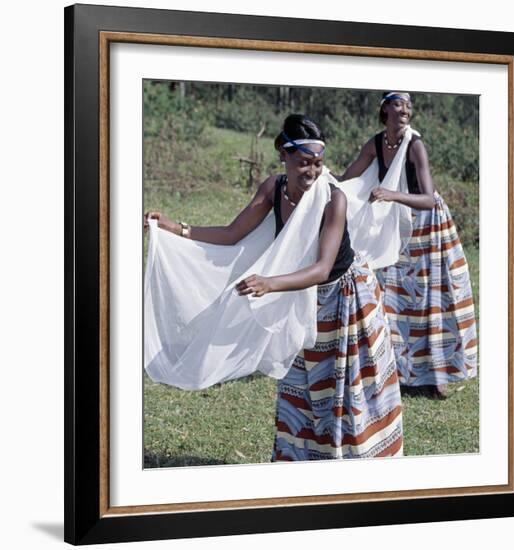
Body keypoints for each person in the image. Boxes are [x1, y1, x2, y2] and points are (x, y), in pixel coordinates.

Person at [145, 114, 403, 461]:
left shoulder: (332, 199)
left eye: (318, 164)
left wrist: (270, 283)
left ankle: (352, 466)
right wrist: (177, 228)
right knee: (302, 383)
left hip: (343, 299)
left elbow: (323, 267)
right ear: (284, 154)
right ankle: (298, 461)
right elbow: (231, 233)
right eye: (303, 164)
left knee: (344, 390)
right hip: (298, 298)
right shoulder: (273, 188)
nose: (311, 173)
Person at [341, 92, 478, 399]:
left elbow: (429, 199)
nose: (405, 110)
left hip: (426, 227)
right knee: (396, 298)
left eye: (408, 106)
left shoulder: (415, 145)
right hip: (395, 227)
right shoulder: (375, 144)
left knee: (431, 301)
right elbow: (346, 179)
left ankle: (437, 375)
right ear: (385, 109)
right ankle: (399, 371)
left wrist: (392, 195)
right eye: (398, 104)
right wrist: (324, 184)